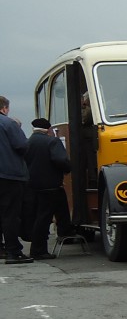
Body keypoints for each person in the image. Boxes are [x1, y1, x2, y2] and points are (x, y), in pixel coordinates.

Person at [24, 118, 71, 259]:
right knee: (45, 218)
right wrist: (68, 168)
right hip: (50, 186)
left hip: (32, 186)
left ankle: (39, 246)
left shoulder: (28, 142)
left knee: (39, 217)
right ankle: (40, 250)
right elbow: (61, 160)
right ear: (48, 129)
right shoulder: (52, 141)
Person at [0, 95, 32, 265]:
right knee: (10, 214)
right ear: (4, 108)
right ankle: (14, 252)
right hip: (9, 175)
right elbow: (22, 145)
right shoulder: (8, 123)